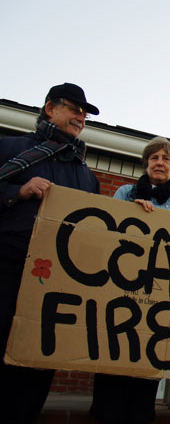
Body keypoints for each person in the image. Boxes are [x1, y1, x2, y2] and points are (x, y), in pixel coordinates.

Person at [0, 83, 100, 423]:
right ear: (49, 109)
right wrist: (18, 190)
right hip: (8, 269)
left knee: (37, 362)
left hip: (55, 284)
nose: (81, 117)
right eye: (74, 109)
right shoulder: (10, 148)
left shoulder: (85, 175)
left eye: (84, 113)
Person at [90, 136, 170, 424]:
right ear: (146, 164)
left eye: (166, 159)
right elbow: (107, 232)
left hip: (158, 301)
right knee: (111, 375)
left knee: (144, 379)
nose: (159, 163)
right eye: (154, 158)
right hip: (120, 292)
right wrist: (128, 213)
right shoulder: (126, 193)